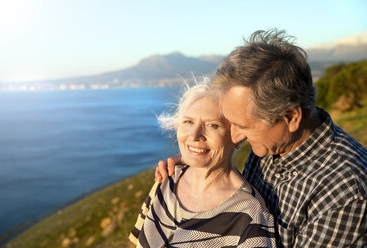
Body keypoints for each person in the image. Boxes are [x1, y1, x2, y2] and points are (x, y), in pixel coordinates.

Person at [155, 29, 367, 247]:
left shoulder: (346, 193)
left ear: (291, 117)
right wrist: (197, 160)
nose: (236, 135)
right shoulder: (277, 138)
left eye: (242, 126)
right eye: (231, 122)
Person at [129, 82, 277, 247]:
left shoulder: (250, 216)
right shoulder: (167, 179)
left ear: (237, 135)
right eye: (188, 122)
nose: (194, 135)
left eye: (212, 125)